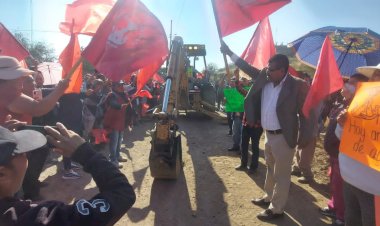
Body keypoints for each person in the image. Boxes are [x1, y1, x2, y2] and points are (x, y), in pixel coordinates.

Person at [221, 42, 311, 221]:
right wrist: (229, 52)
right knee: (270, 169)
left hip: (284, 137)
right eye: (267, 68)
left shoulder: (297, 86)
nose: (267, 71)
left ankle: (276, 209)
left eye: (272, 69)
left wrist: (304, 137)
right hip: (268, 135)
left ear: (283, 70)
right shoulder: (265, 77)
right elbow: (245, 66)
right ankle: (268, 196)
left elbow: (306, 113)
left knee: (282, 174)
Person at [0, 122, 136, 226]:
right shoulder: (40, 218)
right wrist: (86, 153)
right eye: (22, 152)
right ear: (2, 174)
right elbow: (122, 194)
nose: (27, 156)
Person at [319, 73, 369, 226]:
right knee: (334, 183)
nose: (346, 85)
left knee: (342, 187)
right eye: (348, 82)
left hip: (345, 156)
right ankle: (334, 207)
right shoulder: (342, 103)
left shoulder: (361, 109)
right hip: (334, 154)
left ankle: (341, 216)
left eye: (352, 84)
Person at [337, 65, 380, 226]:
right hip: (350, 179)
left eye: (379, 75)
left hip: (375, 189)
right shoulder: (363, 101)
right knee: (352, 219)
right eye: (375, 74)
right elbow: (342, 137)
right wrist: (342, 124)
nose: (375, 79)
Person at [233, 68, 263, 174]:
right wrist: (236, 78)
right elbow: (240, 90)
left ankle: (253, 167)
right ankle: (243, 164)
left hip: (257, 125)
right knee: (244, 145)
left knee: (255, 147)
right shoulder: (249, 93)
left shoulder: (264, 95)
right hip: (246, 123)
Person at [103, 81, 129, 168]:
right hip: (113, 122)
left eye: (122, 85)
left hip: (121, 121)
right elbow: (114, 104)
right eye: (119, 85)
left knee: (119, 140)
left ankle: (117, 156)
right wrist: (122, 106)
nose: (121, 86)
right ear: (114, 86)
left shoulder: (123, 94)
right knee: (114, 141)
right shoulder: (111, 95)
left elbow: (128, 104)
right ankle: (113, 159)